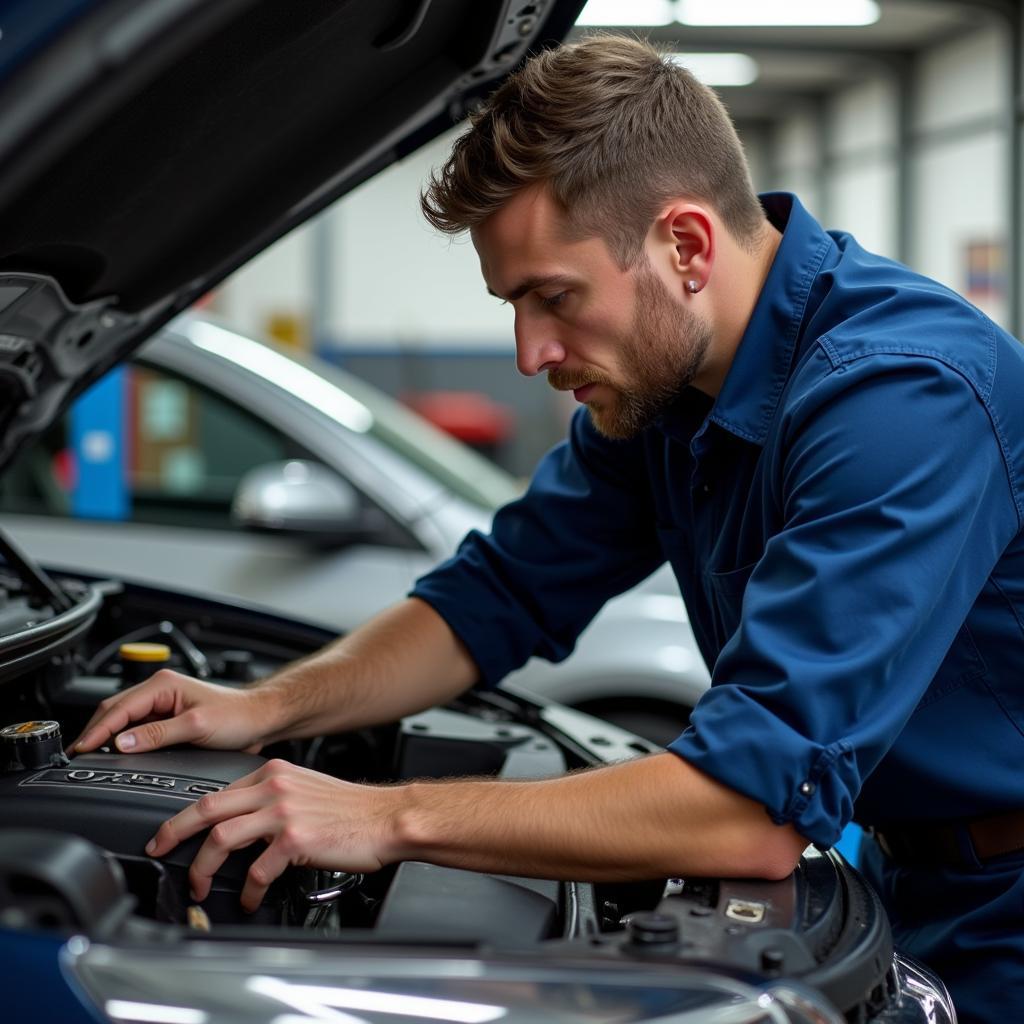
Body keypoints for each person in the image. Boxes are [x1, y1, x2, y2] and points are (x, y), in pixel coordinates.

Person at [75, 34, 1024, 1023]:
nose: (530, 353)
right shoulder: (666, 385)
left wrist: (383, 816)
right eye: (512, 304)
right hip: (902, 866)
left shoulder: (900, 399)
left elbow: (746, 813)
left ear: (686, 245)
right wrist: (266, 706)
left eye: (552, 297)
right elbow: (496, 594)